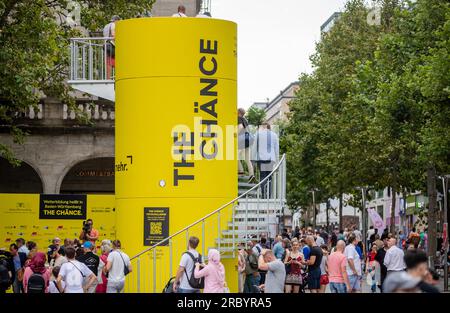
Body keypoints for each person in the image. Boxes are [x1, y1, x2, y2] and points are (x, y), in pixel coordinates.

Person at [255, 123, 279, 198]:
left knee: (262, 176)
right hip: (270, 158)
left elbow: (255, 147)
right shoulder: (274, 135)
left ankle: (263, 194)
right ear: (269, 127)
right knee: (269, 177)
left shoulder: (258, 134)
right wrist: (277, 160)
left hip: (261, 158)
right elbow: (276, 148)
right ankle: (268, 195)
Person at [237, 108, 255, 182]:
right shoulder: (245, 120)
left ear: (238, 112)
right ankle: (251, 175)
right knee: (247, 159)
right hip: (248, 140)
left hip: (241, 140)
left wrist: (235, 134)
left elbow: (240, 127)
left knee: (235, 156)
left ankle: (240, 171)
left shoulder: (239, 118)